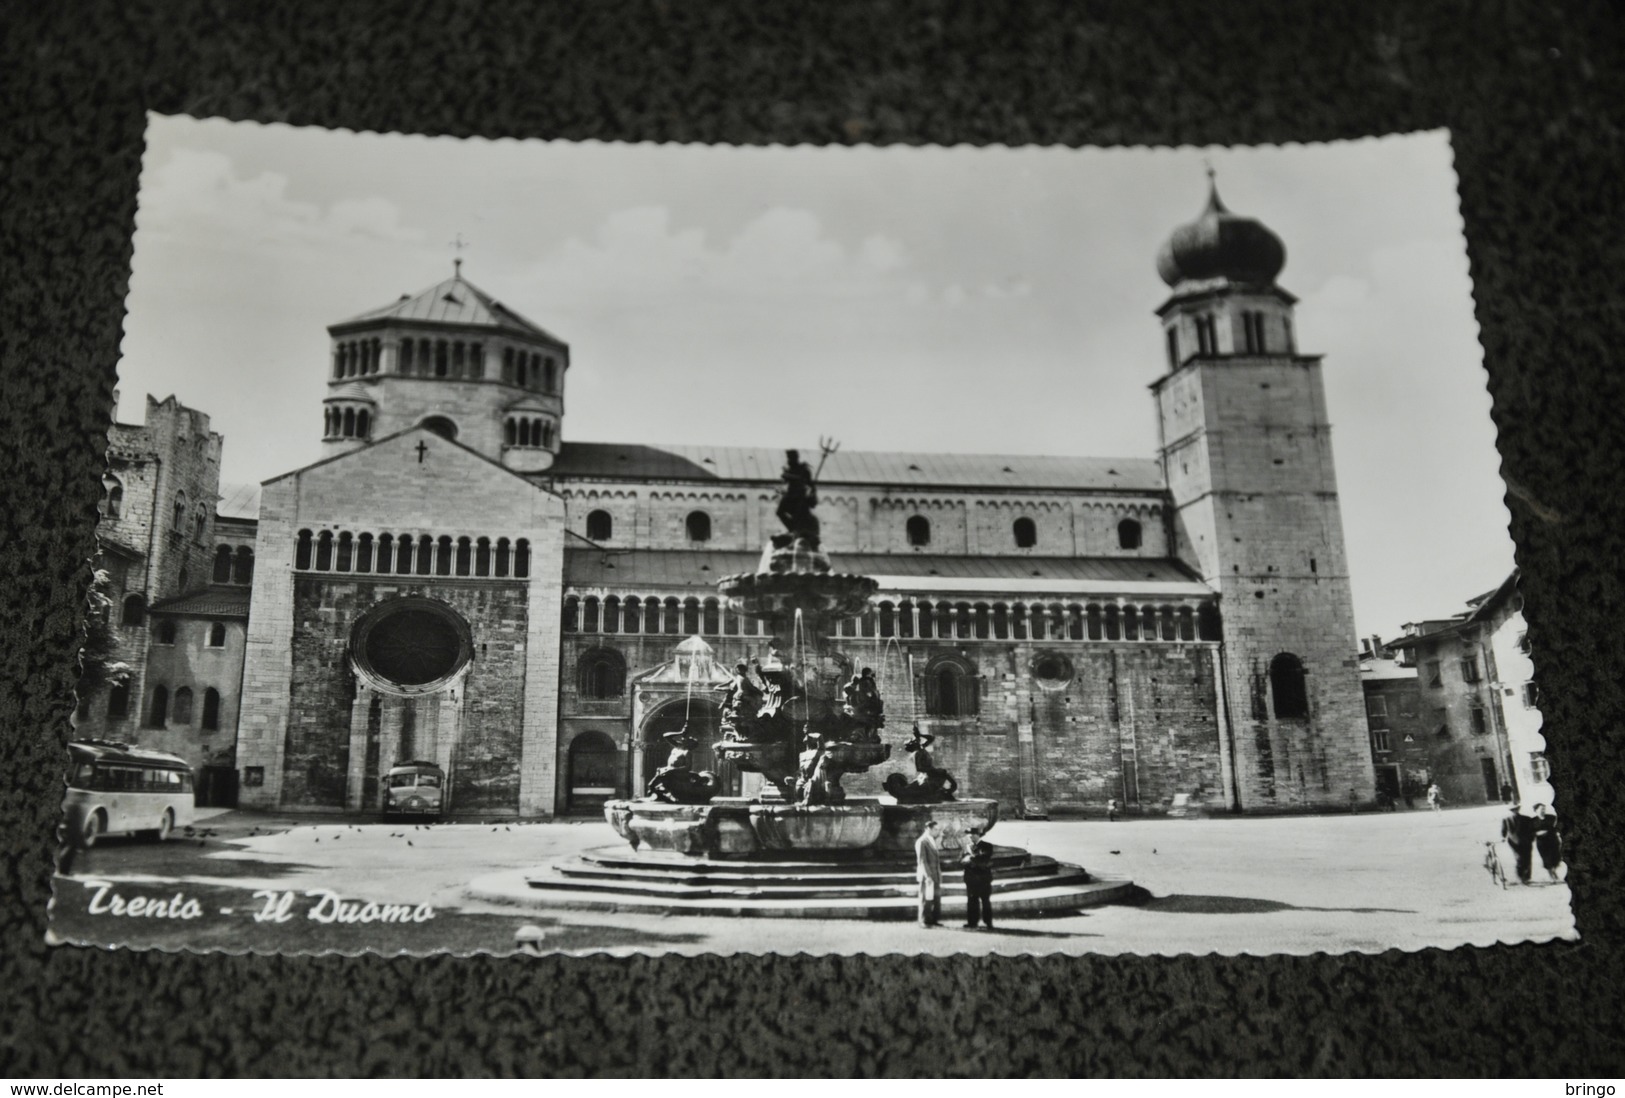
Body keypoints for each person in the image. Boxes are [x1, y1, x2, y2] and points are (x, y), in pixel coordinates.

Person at [961, 828, 994, 929]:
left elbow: (985, 857)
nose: (970, 837)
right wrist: (965, 860)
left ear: (978, 835)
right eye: (969, 836)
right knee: (972, 901)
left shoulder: (987, 845)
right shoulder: (967, 847)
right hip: (971, 879)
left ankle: (988, 922)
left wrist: (970, 858)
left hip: (983, 878)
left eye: (972, 835)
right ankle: (972, 922)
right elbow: (961, 860)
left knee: (985, 901)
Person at [915, 820, 943, 927]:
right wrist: (928, 876)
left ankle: (934, 919)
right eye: (935, 829)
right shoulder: (922, 841)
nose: (937, 832)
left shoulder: (932, 840)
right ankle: (924, 920)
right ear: (928, 829)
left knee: (935, 898)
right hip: (927, 876)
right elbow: (922, 860)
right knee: (925, 898)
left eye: (937, 829)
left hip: (935, 874)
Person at [1501, 807, 1535, 885]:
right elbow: (1504, 831)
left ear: (1518, 810)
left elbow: (1531, 830)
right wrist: (1503, 837)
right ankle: (1521, 877)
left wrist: (1531, 839)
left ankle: (1527, 877)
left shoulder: (1526, 818)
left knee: (1527, 859)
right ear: (1511, 811)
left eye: (1516, 809)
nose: (1515, 811)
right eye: (1513, 810)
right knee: (1519, 859)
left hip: (1526, 842)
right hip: (1514, 843)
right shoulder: (1506, 820)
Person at [1531, 803, 1563, 882]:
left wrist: (1558, 832)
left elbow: (1559, 824)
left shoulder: (1551, 818)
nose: (1543, 811)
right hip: (1542, 843)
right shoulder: (1533, 821)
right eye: (1541, 809)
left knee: (1556, 858)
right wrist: (1538, 833)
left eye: (1544, 809)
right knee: (1546, 859)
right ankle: (1551, 876)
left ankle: (1554, 871)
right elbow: (1530, 832)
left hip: (1553, 841)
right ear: (1536, 810)